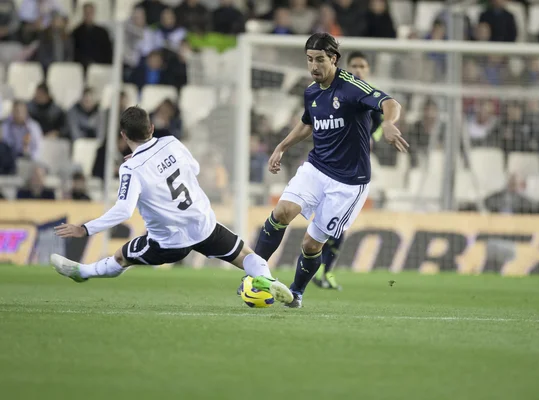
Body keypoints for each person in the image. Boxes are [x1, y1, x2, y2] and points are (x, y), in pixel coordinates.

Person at [51, 106, 293, 304]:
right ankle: (267, 280)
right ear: (151, 128)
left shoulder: (131, 168)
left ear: (123, 137)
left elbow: (124, 210)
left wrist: (85, 229)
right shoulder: (172, 142)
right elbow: (195, 169)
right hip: (202, 225)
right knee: (245, 254)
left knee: (121, 258)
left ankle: (81, 273)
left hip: (168, 241)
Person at [251, 33, 407, 308]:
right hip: (316, 168)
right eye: (310, 60)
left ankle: (296, 292)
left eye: (320, 59)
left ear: (333, 59)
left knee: (311, 244)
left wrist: (390, 123)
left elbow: (391, 104)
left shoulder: (351, 87)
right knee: (282, 211)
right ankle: (254, 277)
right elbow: (307, 123)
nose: (314, 66)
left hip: (348, 183)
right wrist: (281, 147)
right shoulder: (311, 91)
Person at [312, 50, 381, 290]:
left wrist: (372, 137)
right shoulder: (338, 92)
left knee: (338, 224)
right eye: (355, 65)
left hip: (354, 171)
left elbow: (380, 126)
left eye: (363, 66)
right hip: (327, 166)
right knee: (323, 221)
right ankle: (316, 268)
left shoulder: (371, 97)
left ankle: (326, 272)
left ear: (368, 70)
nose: (359, 69)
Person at [71, 2, 112, 69]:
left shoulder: (103, 32)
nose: (88, 15)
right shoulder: (76, 32)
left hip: (100, 67)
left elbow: (107, 52)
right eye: (86, 12)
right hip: (81, 67)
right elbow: (74, 53)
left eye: (90, 12)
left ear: (94, 13)